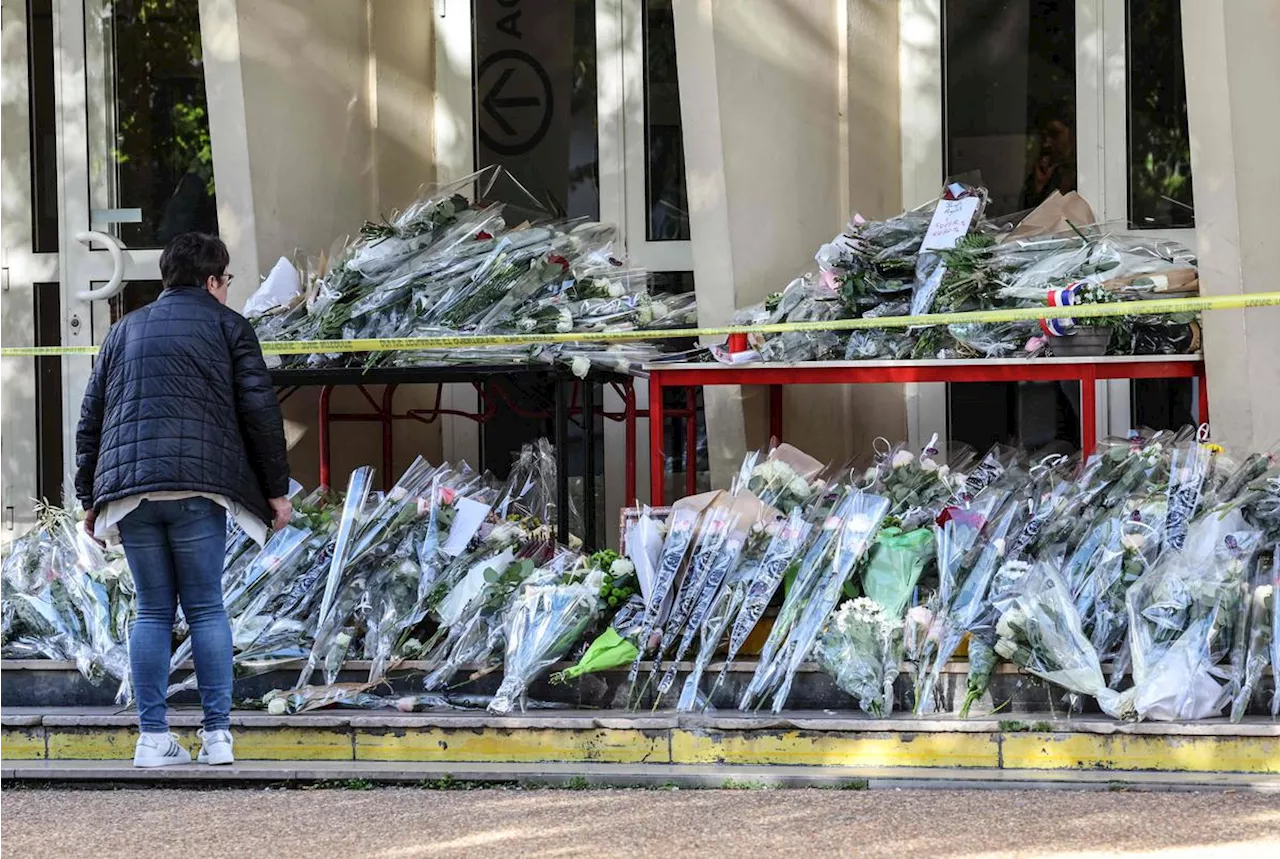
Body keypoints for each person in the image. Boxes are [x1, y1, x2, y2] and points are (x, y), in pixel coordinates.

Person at [75, 233, 292, 769]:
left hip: (131, 490)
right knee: (205, 607)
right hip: (201, 486)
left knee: (150, 611)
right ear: (214, 280)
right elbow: (260, 416)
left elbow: (91, 418)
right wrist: (276, 493)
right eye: (227, 281)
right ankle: (217, 736)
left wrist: (88, 495)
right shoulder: (230, 327)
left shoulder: (123, 329)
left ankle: (152, 739)